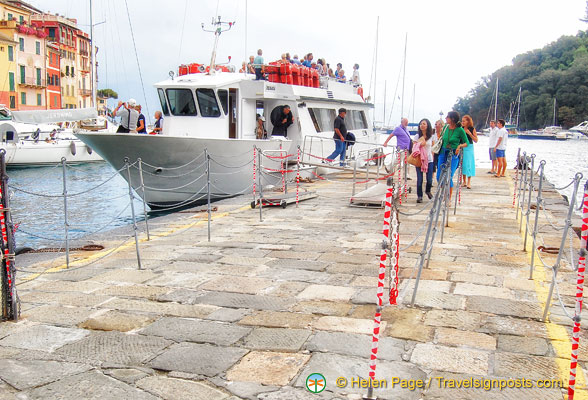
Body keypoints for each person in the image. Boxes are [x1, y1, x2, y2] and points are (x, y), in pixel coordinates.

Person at [436, 111, 468, 199]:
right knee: (439, 176)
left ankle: (448, 198)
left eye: (447, 117)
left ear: (452, 119)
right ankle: (443, 193)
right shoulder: (446, 127)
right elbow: (441, 138)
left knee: (449, 176)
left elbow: (466, 143)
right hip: (443, 152)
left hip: (453, 153)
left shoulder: (460, 130)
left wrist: (459, 146)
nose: (446, 118)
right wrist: (438, 131)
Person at [413, 118, 435, 203]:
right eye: (421, 124)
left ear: (428, 125)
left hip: (429, 160)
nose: (422, 125)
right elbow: (414, 147)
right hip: (419, 159)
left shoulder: (431, 137)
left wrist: (432, 157)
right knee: (419, 179)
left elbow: (433, 147)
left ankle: (428, 190)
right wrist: (419, 144)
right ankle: (419, 196)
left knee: (429, 179)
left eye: (424, 124)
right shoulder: (417, 136)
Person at [461, 114, 478, 188]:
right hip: (462, 147)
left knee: (469, 164)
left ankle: (469, 182)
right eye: (462, 121)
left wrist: (470, 134)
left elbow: (476, 140)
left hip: (469, 147)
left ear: (468, 121)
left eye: (464, 121)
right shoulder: (461, 129)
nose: (463, 122)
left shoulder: (472, 129)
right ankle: (464, 181)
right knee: (463, 164)